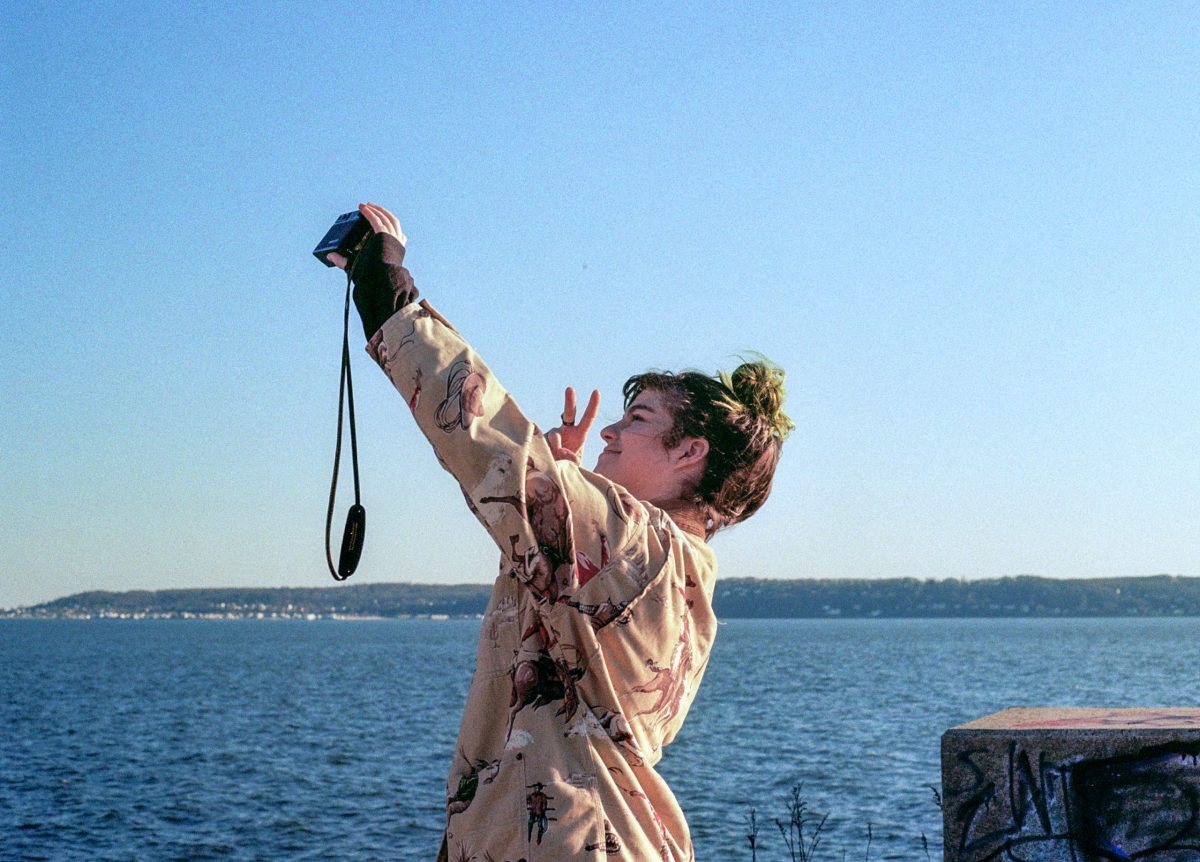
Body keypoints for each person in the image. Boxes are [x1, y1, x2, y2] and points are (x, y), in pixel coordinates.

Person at [330, 202, 793, 862]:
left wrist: (389, 292)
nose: (611, 431)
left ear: (690, 453)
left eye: (637, 419)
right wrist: (562, 490)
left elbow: (492, 444)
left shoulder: (639, 548)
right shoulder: (667, 569)